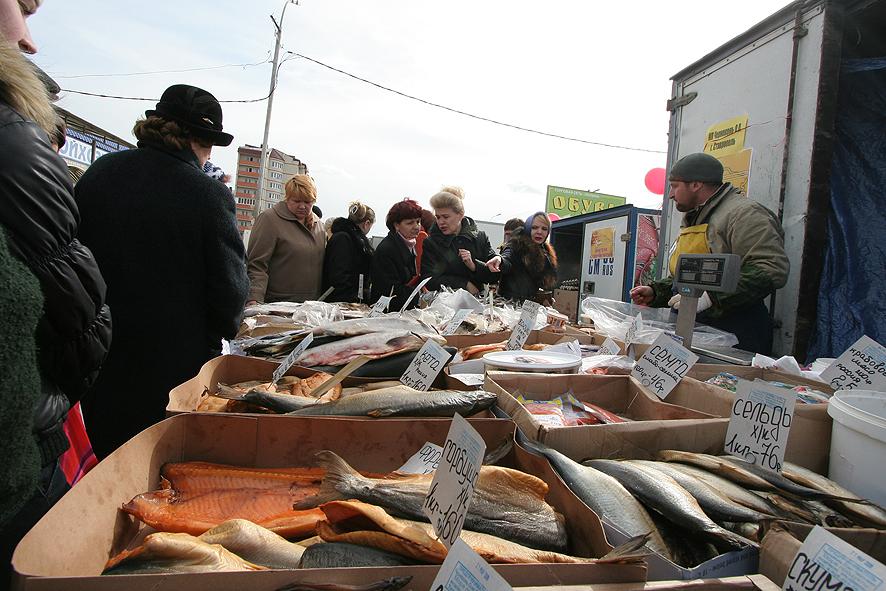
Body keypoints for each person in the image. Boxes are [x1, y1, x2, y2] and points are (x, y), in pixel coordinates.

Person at [0, 1, 112, 581]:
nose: (31, 39)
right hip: (26, 448)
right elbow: (67, 292)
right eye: (20, 6)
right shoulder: (15, 138)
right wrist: (70, 390)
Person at [76, 84, 248, 458]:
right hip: (171, 364)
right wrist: (220, 333)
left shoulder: (100, 172)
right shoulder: (207, 194)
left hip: (96, 353)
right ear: (198, 141)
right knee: (155, 467)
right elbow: (230, 292)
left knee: (103, 458)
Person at [629, 153, 789, 354]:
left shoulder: (744, 214)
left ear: (696, 185)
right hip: (695, 327)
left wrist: (713, 298)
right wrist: (656, 291)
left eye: (675, 186)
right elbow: (694, 274)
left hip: (735, 332)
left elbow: (771, 269)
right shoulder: (697, 217)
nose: (670, 194)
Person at [246, 174, 326, 303]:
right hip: (276, 305)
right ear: (287, 198)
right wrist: (254, 298)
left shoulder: (319, 227)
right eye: (296, 201)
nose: (302, 206)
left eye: (307, 202)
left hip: (310, 307)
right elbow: (257, 265)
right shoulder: (269, 219)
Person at [420, 186, 499, 295]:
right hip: (446, 305)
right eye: (438, 217)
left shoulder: (480, 237)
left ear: (460, 214)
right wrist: (464, 284)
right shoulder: (431, 243)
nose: (441, 222)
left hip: (480, 304)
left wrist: (474, 265)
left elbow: (494, 275)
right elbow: (429, 280)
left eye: (446, 217)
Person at [488, 212, 559, 305]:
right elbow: (507, 256)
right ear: (528, 228)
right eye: (535, 227)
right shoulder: (517, 244)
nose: (539, 232)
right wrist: (500, 259)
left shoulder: (546, 252)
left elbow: (543, 283)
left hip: (531, 308)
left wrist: (545, 298)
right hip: (509, 305)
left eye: (544, 229)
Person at [371, 199, 424, 310]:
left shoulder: (409, 245)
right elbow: (389, 290)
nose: (416, 226)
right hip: (388, 314)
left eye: (418, 221)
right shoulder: (387, 250)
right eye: (410, 223)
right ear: (396, 225)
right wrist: (417, 295)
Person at [322, 201, 375, 303]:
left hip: (349, 298)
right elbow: (339, 276)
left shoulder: (346, 237)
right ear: (367, 224)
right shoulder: (345, 239)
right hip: (343, 301)